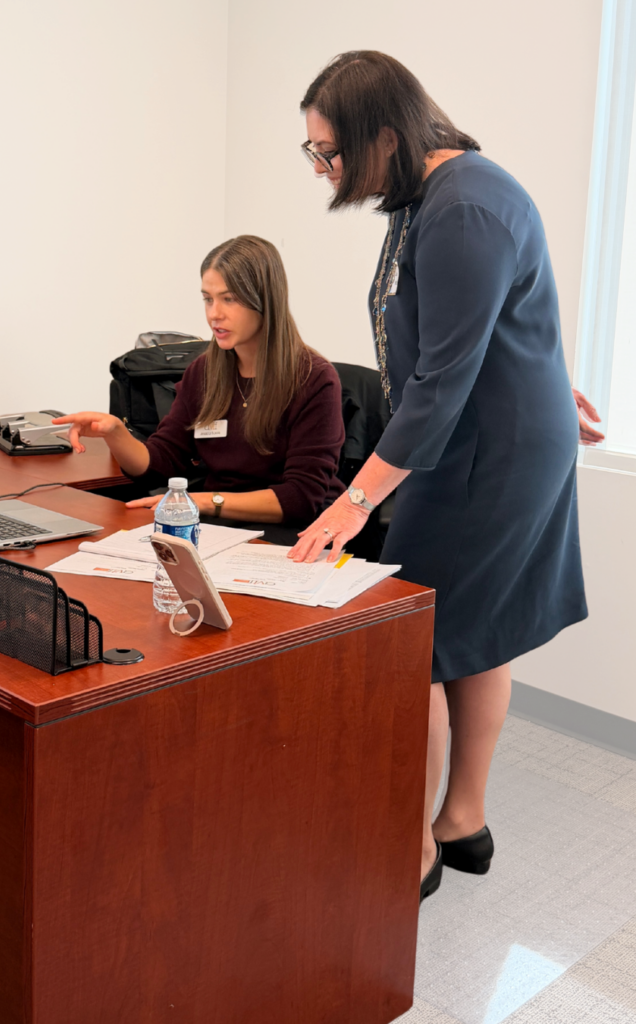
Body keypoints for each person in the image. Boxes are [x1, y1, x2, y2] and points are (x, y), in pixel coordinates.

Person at [289, 51, 603, 899]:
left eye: (331, 153)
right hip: (490, 429)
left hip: (479, 449)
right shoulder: (431, 194)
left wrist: (353, 503)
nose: (324, 172)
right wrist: (540, 385)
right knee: (471, 629)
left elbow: (441, 379)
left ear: (383, 137)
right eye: (313, 153)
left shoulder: (462, 207)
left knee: (418, 638)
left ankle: (417, 846)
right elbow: (499, 321)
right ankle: (460, 821)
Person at [55, 235, 345, 532]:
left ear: (264, 300)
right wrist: (115, 433)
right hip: (220, 526)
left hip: (291, 533)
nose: (213, 314)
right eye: (208, 298)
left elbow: (300, 498)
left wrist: (204, 502)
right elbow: (161, 462)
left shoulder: (313, 379)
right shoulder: (205, 371)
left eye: (229, 299)